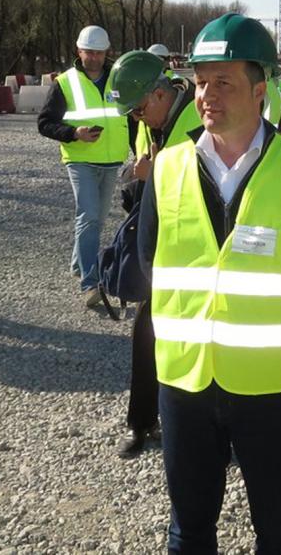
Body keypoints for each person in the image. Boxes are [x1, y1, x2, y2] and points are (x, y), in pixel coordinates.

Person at [138, 12, 281, 555]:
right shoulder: (168, 167)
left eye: (224, 82)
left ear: (260, 90)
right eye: (200, 82)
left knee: (277, 530)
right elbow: (150, 261)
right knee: (189, 529)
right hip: (186, 383)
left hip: (272, 388)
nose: (207, 96)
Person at [105, 49, 201, 459]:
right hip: (162, 248)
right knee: (146, 333)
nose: (137, 118)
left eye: (140, 109)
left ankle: (207, 427)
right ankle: (141, 421)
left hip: (200, 250)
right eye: (131, 113)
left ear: (161, 93)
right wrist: (138, 180)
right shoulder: (150, 121)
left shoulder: (200, 119)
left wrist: (154, 173)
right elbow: (147, 179)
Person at [37, 25, 131, 310]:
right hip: (80, 159)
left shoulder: (120, 78)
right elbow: (45, 123)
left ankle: (79, 264)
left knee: (98, 218)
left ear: (107, 52)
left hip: (112, 159)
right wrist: (73, 134)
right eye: (89, 52)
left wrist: (140, 151)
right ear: (79, 51)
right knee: (88, 216)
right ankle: (91, 284)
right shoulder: (65, 82)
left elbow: (133, 117)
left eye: (99, 52)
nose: (94, 58)